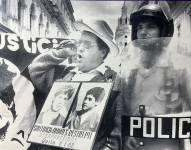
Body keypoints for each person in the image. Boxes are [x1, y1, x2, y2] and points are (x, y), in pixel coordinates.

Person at [28, 20, 121, 150]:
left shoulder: (113, 83)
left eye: (87, 45)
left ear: (103, 52)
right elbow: (35, 70)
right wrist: (61, 52)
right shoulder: (65, 74)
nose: (80, 48)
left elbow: (116, 133)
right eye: (79, 43)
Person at [118, 1, 191, 150]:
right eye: (139, 27)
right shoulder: (131, 71)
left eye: (151, 26)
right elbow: (124, 113)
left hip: (168, 145)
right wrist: (128, 135)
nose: (143, 32)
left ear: (163, 31)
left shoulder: (180, 66)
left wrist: (159, 119)